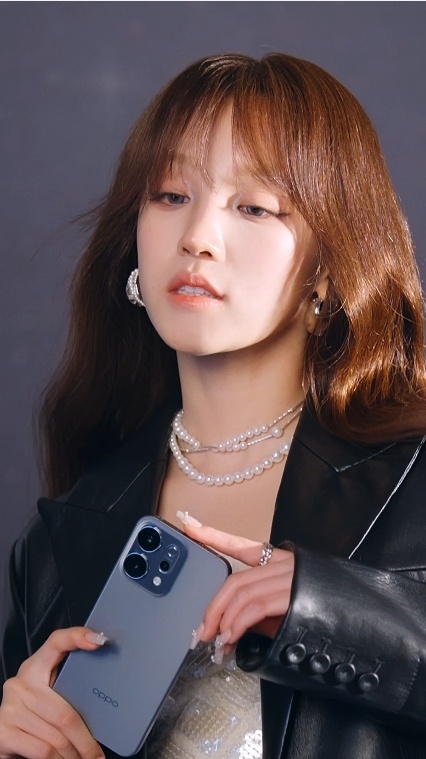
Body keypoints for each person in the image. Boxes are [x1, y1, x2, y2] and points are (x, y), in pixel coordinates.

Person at [1, 52, 426, 759]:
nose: (196, 237)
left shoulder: (413, 485)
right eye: (171, 195)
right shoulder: (54, 545)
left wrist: (332, 615)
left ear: (326, 267)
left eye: (253, 207)